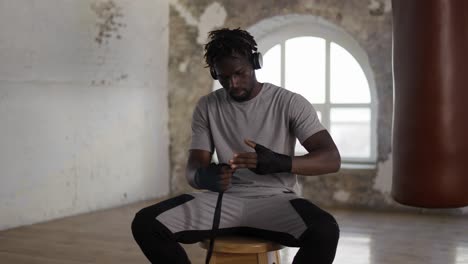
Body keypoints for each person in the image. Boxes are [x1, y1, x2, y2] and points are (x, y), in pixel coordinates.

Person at [131, 28, 341, 264]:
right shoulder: (207, 106)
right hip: (224, 201)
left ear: (254, 62)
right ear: (215, 73)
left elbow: (331, 158)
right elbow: (192, 170)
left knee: (325, 231)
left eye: (239, 73)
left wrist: (280, 162)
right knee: (146, 223)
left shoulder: (289, 102)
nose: (233, 83)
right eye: (223, 77)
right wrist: (205, 177)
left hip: (276, 200)